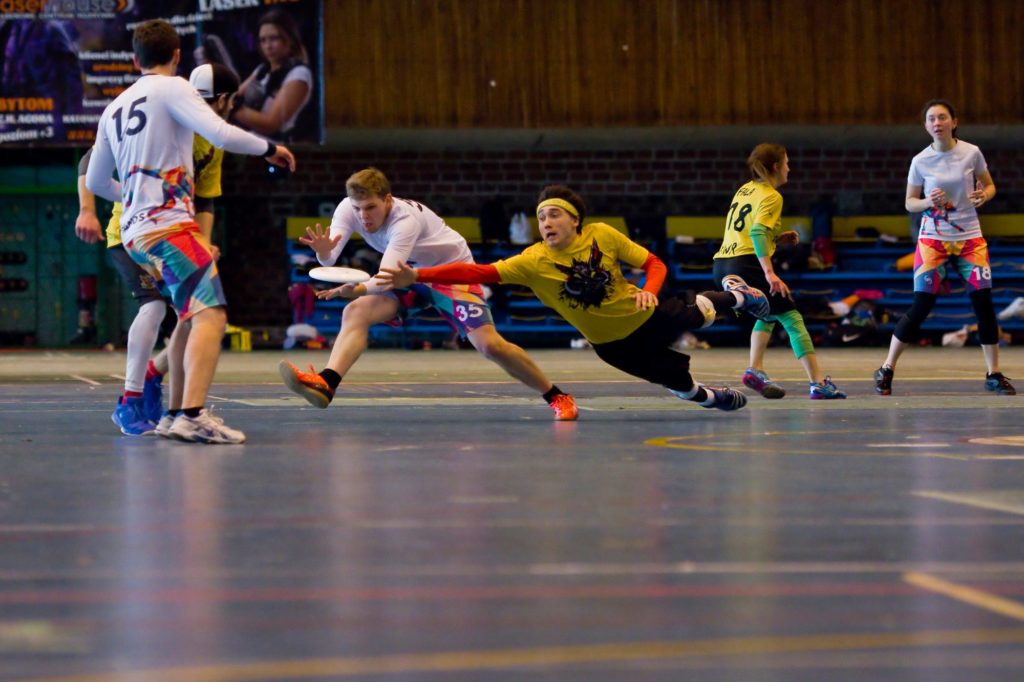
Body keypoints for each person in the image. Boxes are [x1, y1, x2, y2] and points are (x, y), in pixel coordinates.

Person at [376, 185, 773, 412]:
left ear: (574, 220)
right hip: (611, 345)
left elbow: (653, 263)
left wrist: (649, 293)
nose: (545, 222)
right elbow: (477, 272)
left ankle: (738, 297)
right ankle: (712, 398)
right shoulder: (531, 261)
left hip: (646, 315)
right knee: (680, 386)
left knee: (702, 312)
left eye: (553, 214)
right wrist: (418, 275)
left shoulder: (602, 234)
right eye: (541, 217)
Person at [86, 19, 296, 444]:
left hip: (134, 231)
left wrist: (134, 196)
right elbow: (220, 131)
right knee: (212, 315)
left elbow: (94, 181)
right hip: (168, 227)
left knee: (187, 315)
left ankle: (172, 415)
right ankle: (192, 415)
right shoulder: (174, 88)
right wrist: (270, 148)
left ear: (134, 60)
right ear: (177, 56)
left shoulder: (113, 108)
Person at [278, 168, 579, 420]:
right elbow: (329, 260)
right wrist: (324, 253)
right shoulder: (348, 208)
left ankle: (557, 396)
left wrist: (356, 289)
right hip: (411, 273)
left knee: (490, 346)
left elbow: (386, 278)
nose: (364, 217)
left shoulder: (404, 221)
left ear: (387, 200)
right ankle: (327, 382)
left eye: (370, 208)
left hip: (450, 274)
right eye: (358, 209)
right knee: (355, 311)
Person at [75, 63, 242, 437]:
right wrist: (86, 210)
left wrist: (202, 241)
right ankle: (131, 401)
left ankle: (176, 411)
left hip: (173, 233)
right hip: (130, 232)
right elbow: (90, 160)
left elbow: (206, 198)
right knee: (155, 307)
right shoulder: (162, 118)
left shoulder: (211, 142)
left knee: (191, 314)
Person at [874, 99, 1015, 396]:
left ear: (954, 122)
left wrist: (984, 196)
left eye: (942, 117)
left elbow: (990, 186)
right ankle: (886, 368)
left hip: (970, 239)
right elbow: (909, 203)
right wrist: (928, 201)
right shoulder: (920, 161)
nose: (937, 123)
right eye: (931, 119)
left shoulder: (971, 152)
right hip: (933, 240)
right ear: (926, 126)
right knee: (921, 306)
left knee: (983, 305)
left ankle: (993, 373)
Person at [711, 144, 846, 400]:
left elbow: (747, 230)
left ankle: (755, 369)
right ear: (776, 167)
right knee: (792, 318)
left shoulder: (745, 189)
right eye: (787, 163)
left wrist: (776, 238)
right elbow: (756, 232)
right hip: (746, 265)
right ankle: (818, 384)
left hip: (722, 265)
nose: (789, 168)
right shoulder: (772, 196)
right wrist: (770, 273)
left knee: (769, 313)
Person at [233, 9, 312, 142]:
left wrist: (231, 108)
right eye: (263, 40)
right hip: (250, 141)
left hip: (276, 145)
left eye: (274, 38)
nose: (267, 46)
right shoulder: (262, 69)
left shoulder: (299, 73)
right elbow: (235, 95)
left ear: (289, 39)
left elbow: (270, 124)